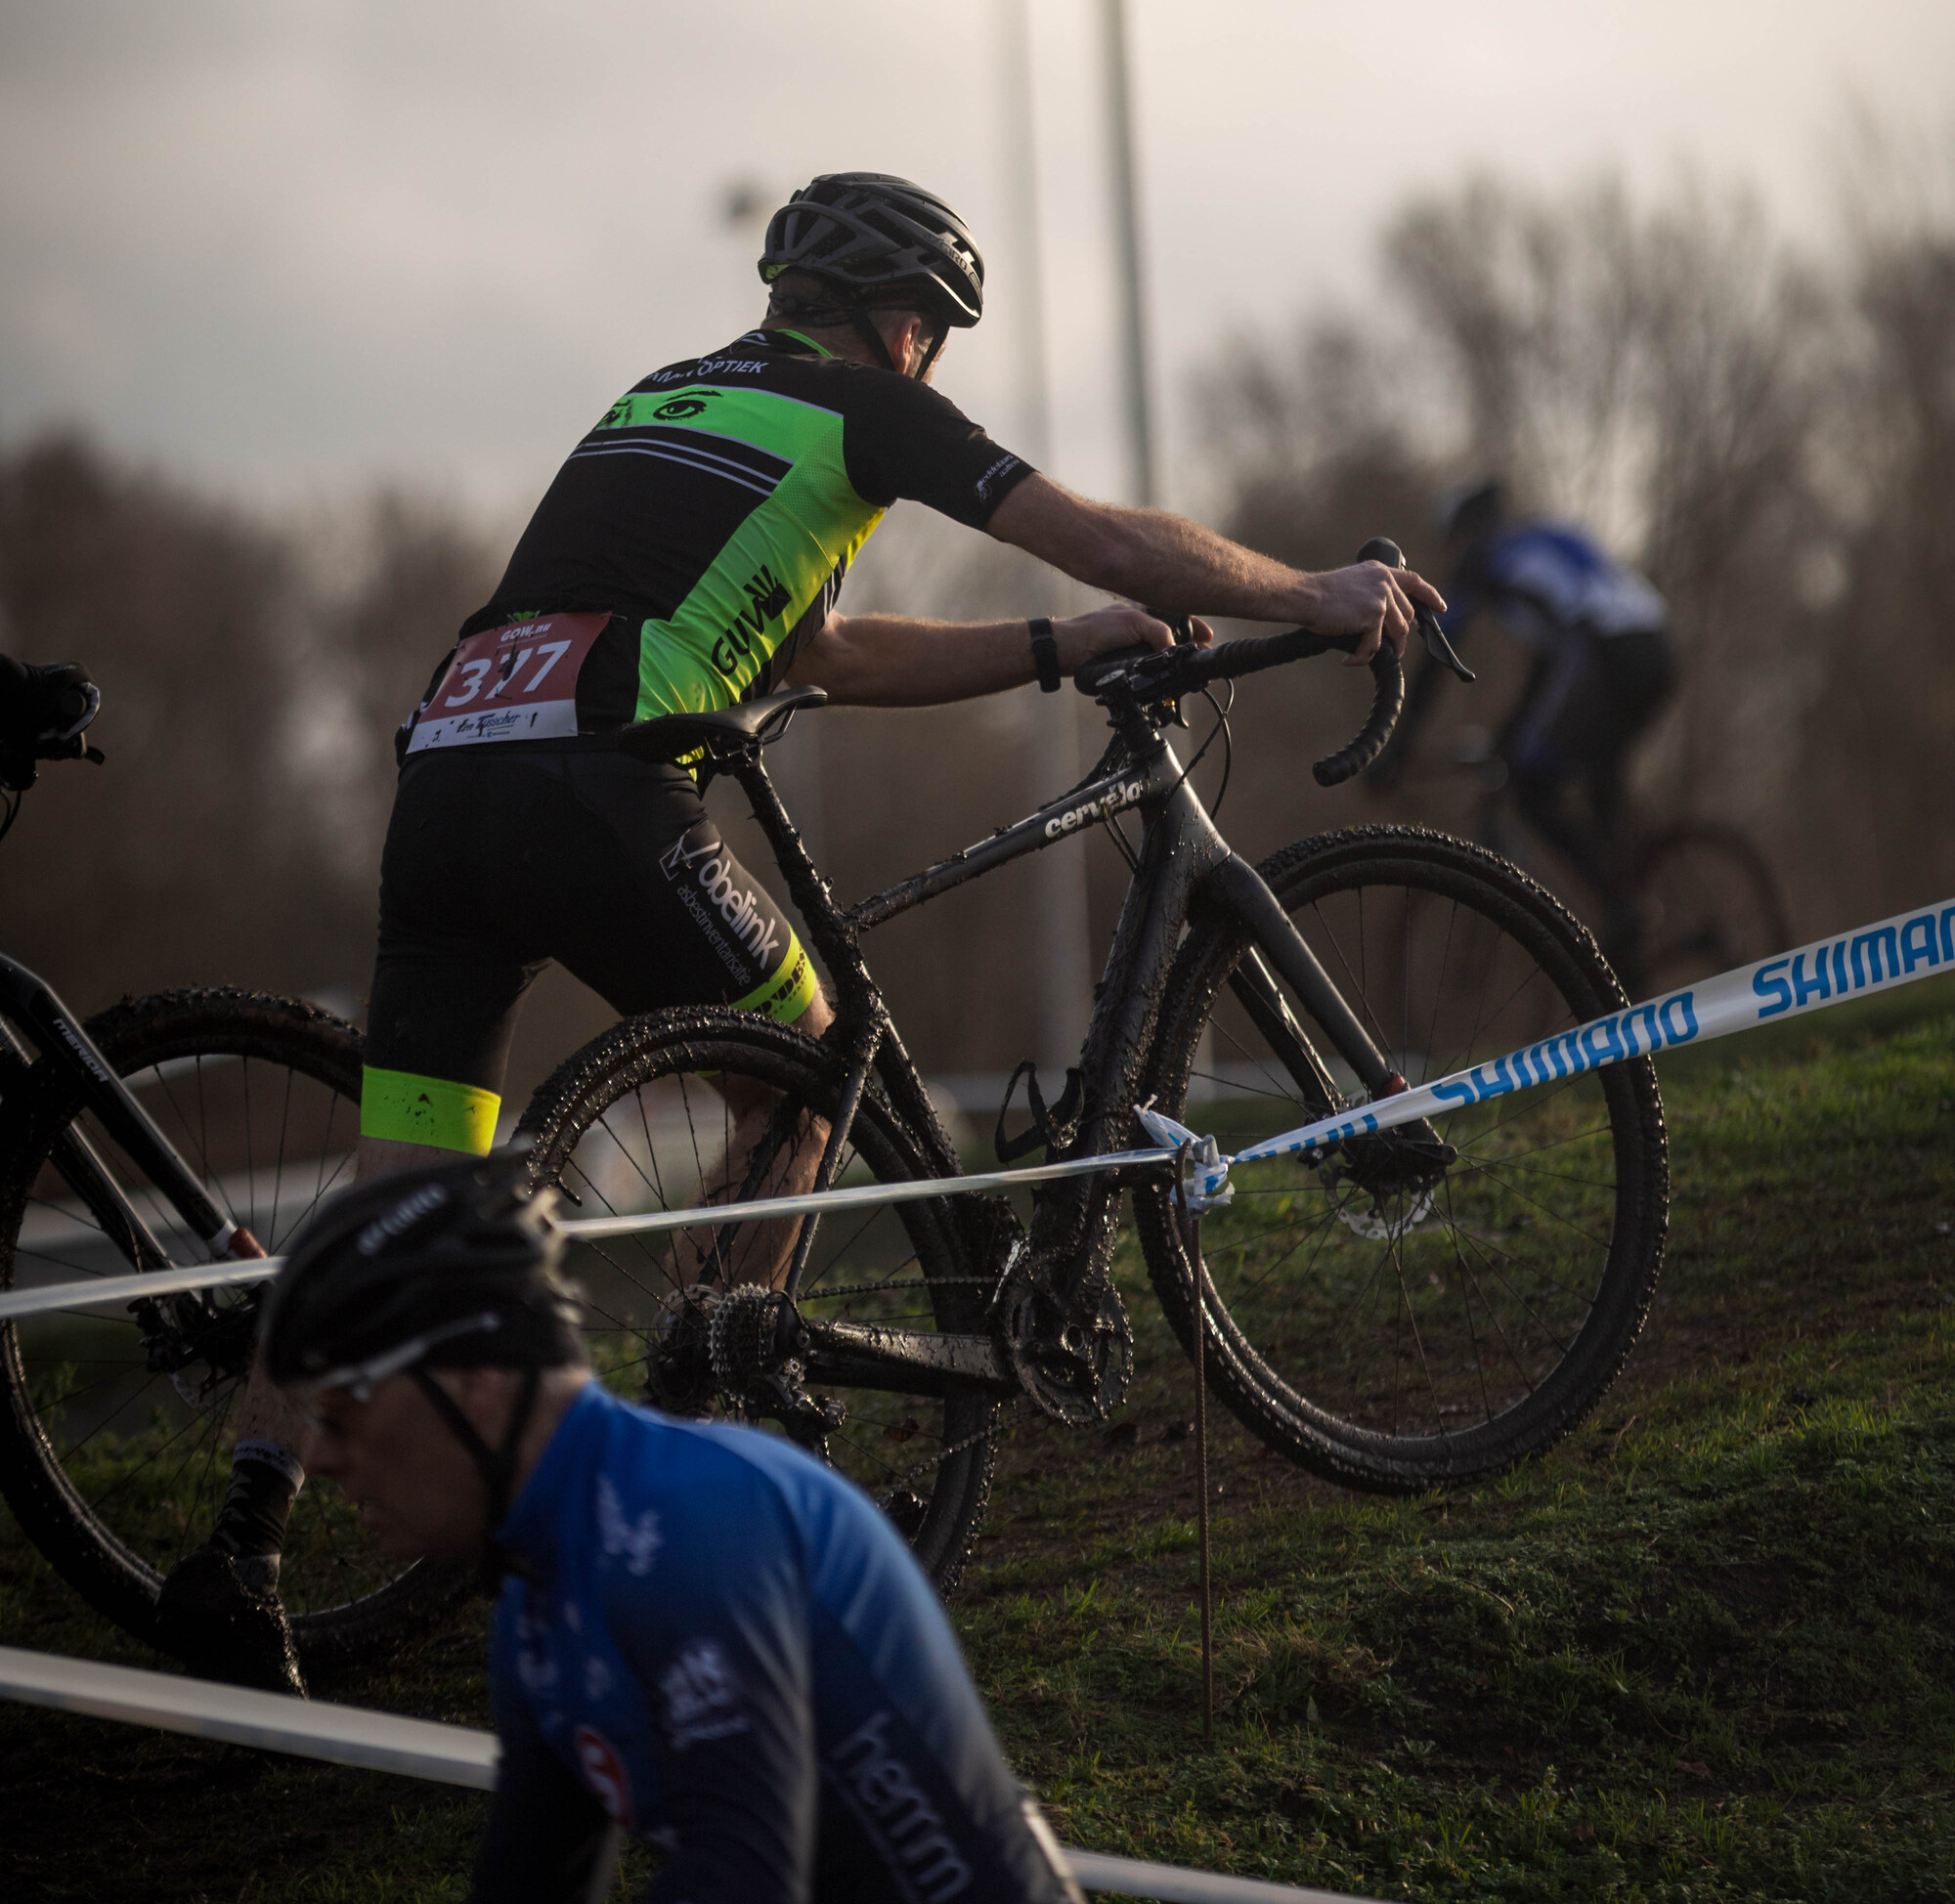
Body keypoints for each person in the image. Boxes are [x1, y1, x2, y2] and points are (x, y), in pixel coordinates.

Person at [165, 169, 1440, 1688]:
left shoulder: (668, 400)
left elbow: (820, 649)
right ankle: (703, 1415)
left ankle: (240, 1546)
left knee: (397, 1187)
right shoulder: (868, 410)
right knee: (804, 1062)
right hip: (600, 779)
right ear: (906, 329)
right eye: (936, 340)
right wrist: (1316, 588)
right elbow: (1102, 534)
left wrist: (1051, 650)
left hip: (451, 781)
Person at [261, 1154, 1084, 1904]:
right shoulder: (537, 1607)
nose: (319, 1454)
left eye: (341, 1404)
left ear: (474, 1379)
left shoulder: (693, 1526)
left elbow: (748, 1875)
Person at [1378, 478, 1675, 943]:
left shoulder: (1488, 558)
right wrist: (1510, 730)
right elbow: (1549, 666)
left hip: (1604, 652)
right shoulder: (1537, 541)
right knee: (1597, 773)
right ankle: (1633, 915)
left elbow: (1437, 654)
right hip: (1655, 648)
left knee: (1530, 782)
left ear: (1470, 532)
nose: (1452, 554)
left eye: (1452, 541)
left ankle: (1623, 903)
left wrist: (1397, 743)